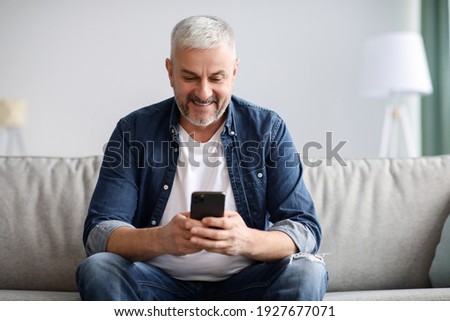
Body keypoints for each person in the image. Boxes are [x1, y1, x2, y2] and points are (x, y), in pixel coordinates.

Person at [76, 15, 328, 301]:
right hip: (156, 284)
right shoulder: (133, 131)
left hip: (246, 284)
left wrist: (246, 240)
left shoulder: (267, 129)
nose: (204, 92)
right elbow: (99, 233)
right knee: (98, 268)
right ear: (170, 72)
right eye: (190, 77)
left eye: (217, 77)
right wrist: (162, 239)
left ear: (234, 72)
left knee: (308, 271)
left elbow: (304, 229)